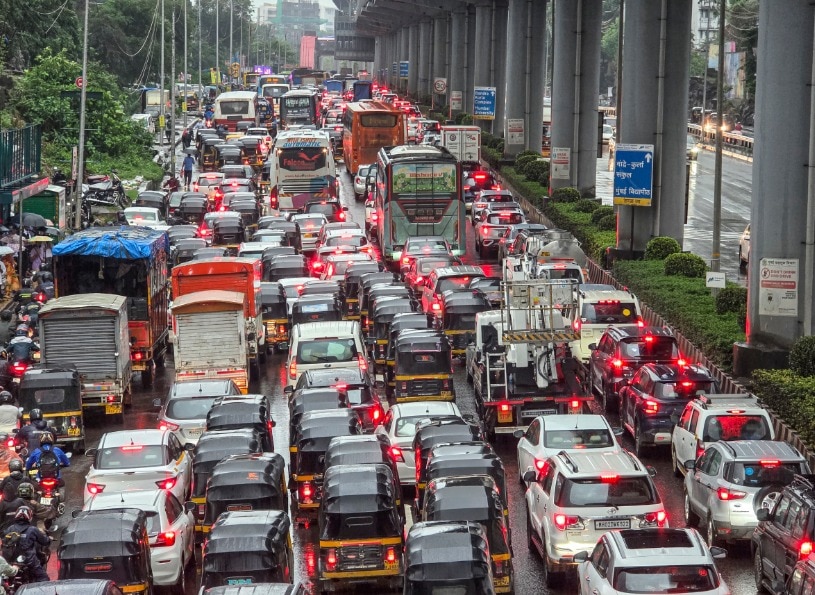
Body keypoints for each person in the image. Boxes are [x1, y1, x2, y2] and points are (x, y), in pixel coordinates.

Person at [3, 506, 50, 582]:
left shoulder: (10, 528)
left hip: (11, 562)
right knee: (43, 579)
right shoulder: (33, 529)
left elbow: (4, 541)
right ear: (29, 517)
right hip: (29, 561)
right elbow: (45, 541)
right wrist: (48, 538)